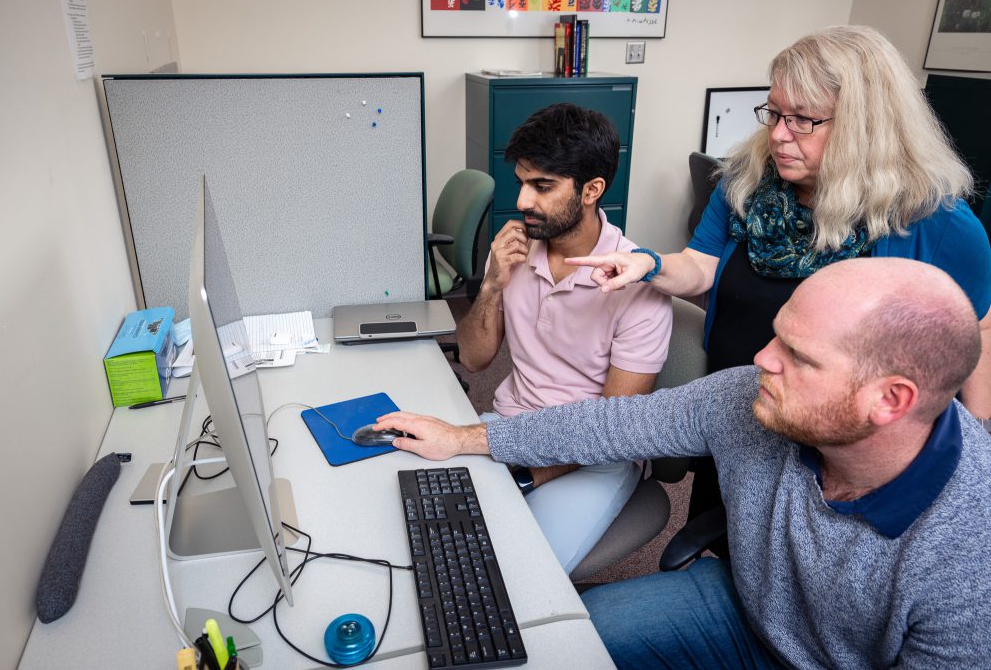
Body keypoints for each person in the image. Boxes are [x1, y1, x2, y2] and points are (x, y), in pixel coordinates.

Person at [377, 257, 991, 669]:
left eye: (797, 356)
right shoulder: (750, 394)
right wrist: (462, 438)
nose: (761, 358)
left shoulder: (971, 548)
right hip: (744, 607)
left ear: (890, 400)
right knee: (557, 641)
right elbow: (610, 424)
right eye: (776, 336)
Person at [567, 24, 991, 532]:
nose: (778, 134)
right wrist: (650, 265)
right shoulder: (747, 181)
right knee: (725, 540)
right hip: (741, 410)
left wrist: (980, 446)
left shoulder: (936, 223)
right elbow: (703, 265)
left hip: (840, 445)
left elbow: (978, 333)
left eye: (803, 120)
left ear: (865, 124)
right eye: (774, 113)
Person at [455, 102, 672, 574]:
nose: (522, 201)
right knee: (438, 524)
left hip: (592, 456)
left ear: (592, 190)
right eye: (522, 181)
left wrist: (528, 474)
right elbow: (473, 359)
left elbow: (613, 429)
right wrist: (492, 284)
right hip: (512, 424)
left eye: (542, 186)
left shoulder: (636, 283)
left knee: (521, 575)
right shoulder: (518, 249)